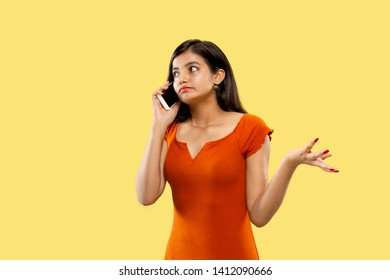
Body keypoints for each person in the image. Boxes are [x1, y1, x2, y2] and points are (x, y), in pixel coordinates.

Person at [136, 39, 339, 260]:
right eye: (175, 73)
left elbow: (260, 215)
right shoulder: (169, 131)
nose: (181, 78)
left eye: (192, 69)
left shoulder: (250, 128)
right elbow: (146, 196)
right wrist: (158, 126)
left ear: (218, 76)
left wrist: (289, 162)